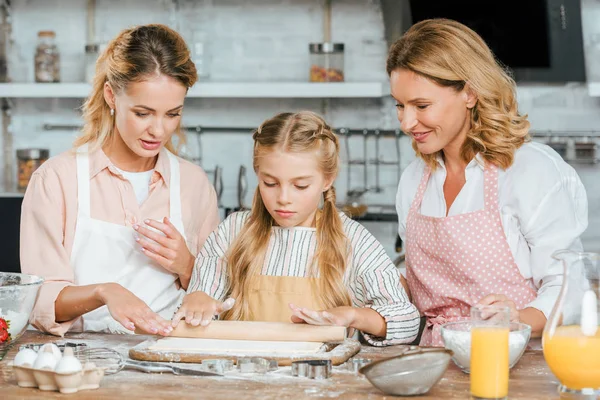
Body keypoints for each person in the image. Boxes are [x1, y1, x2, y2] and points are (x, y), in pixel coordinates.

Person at [388, 18, 588, 346]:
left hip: (518, 363)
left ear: (469, 93)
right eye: (399, 105)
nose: (407, 122)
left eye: (421, 106)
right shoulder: (414, 180)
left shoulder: (530, 170)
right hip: (433, 364)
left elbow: (569, 288)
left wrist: (516, 320)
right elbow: (421, 283)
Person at [20, 24, 219, 336]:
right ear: (111, 95)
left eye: (172, 114)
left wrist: (186, 264)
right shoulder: (56, 180)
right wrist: (105, 292)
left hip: (171, 358)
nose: (159, 130)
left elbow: (215, 294)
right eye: (143, 113)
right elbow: (39, 303)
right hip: (82, 361)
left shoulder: (194, 185)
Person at [172, 111, 420, 346]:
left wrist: (354, 316)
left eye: (300, 186)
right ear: (257, 173)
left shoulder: (351, 239)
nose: (283, 198)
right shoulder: (233, 232)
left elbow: (406, 320)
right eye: (270, 183)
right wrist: (197, 301)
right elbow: (200, 301)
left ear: (327, 179)